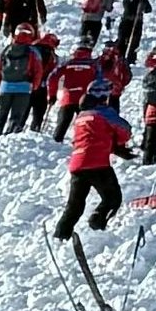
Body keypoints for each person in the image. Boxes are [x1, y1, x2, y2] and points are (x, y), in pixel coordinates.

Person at [56, 95, 128, 239]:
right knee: (113, 199)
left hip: (77, 164)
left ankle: (61, 235)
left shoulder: (79, 119)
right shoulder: (102, 114)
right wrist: (118, 142)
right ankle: (97, 224)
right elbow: (124, 130)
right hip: (97, 163)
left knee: (74, 205)